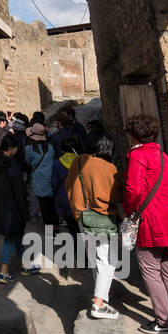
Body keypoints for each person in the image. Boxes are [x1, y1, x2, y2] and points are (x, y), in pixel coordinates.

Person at [121, 113, 168, 334]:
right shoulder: (165, 157)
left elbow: (133, 190)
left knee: (150, 270)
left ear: (133, 135)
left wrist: (129, 212)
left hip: (152, 222)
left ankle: (165, 322)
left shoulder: (138, 157)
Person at [65, 134, 124, 319]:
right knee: (108, 260)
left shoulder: (78, 162)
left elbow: (68, 186)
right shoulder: (108, 168)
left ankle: (104, 292)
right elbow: (116, 196)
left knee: (96, 258)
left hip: (83, 217)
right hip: (104, 219)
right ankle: (99, 304)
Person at [0, 134, 39, 283]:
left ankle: (26, 265)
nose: (17, 150)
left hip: (1, 205)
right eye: (16, 147)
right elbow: (18, 189)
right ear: (11, 148)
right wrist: (24, 210)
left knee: (16, 236)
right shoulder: (11, 164)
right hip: (13, 208)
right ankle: (3, 272)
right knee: (11, 238)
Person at [24, 123, 57, 225]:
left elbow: (28, 162)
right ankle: (55, 227)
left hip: (38, 180)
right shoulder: (50, 147)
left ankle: (49, 231)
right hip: (51, 179)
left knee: (44, 206)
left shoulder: (29, 149)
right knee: (52, 206)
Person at [51, 136, 82, 234]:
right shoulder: (82, 161)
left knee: (72, 228)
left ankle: (78, 247)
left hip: (65, 200)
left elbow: (54, 183)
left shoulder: (57, 163)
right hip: (82, 201)